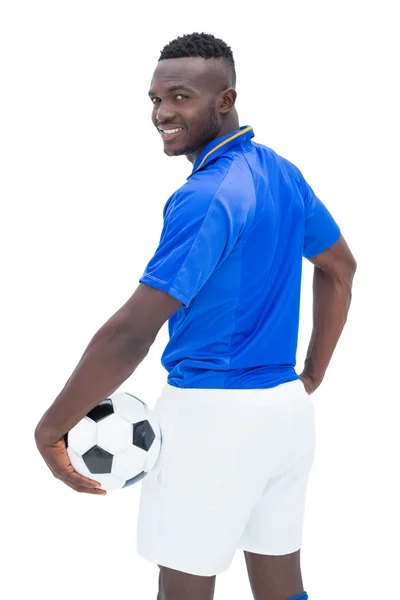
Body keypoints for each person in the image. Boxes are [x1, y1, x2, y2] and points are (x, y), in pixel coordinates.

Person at [34, 32, 357, 600]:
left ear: (225, 101)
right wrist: (311, 374)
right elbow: (340, 269)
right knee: (281, 584)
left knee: (183, 589)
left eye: (180, 97)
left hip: (212, 422)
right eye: (155, 99)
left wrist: (52, 426)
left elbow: (131, 331)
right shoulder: (280, 173)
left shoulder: (208, 195)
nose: (162, 113)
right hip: (285, 416)